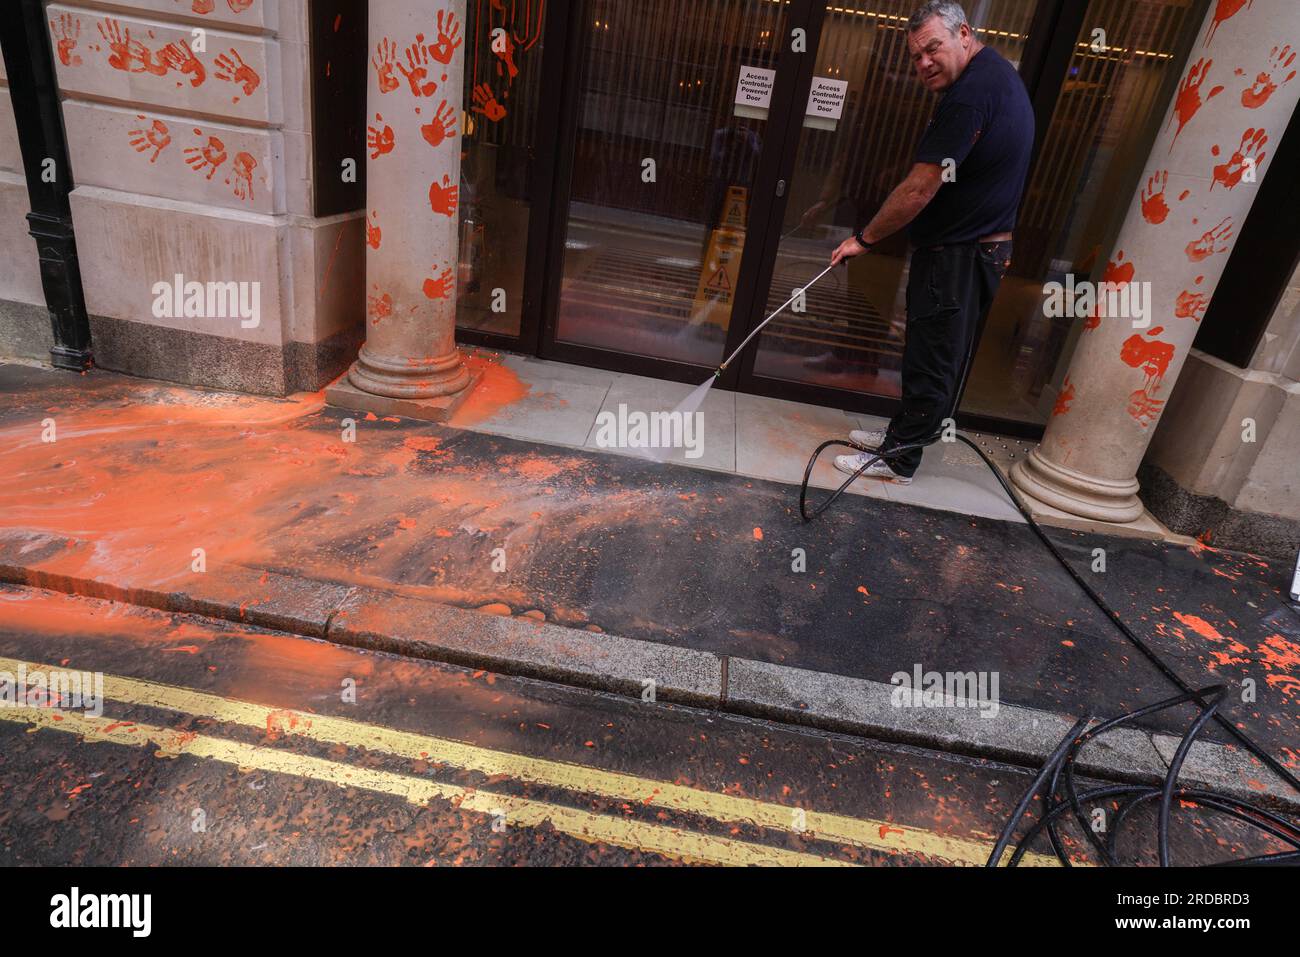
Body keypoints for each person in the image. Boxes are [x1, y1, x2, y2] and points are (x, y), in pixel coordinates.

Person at [828, 0, 1034, 484]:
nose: (923, 63)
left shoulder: (969, 96)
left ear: (964, 33)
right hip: (971, 247)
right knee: (928, 348)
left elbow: (921, 187)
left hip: (962, 252)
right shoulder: (992, 75)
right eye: (915, 56)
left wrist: (865, 238)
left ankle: (898, 460)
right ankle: (903, 434)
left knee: (931, 356)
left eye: (932, 48)